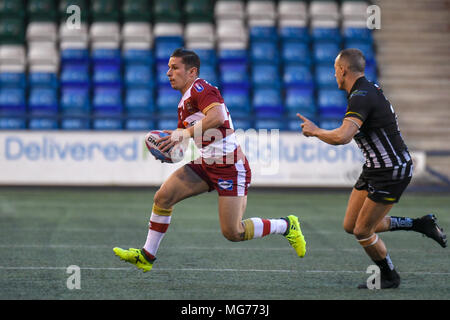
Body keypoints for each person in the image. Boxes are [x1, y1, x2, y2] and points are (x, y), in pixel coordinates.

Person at [113, 48, 306, 272]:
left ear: (192, 71)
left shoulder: (200, 88)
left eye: (174, 68)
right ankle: (147, 255)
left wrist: (183, 134)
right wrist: (170, 147)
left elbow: (217, 117)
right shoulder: (183, 103)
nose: (168, 73)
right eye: (168, 68)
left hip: (230, 167)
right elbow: (184, 139)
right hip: (206, 163)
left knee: (233, 232)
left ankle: (286, 225)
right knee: (163, 197)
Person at [297, 48, 447, 289]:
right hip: (375, 168)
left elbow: (344, 137)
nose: (334, 75)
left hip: (391, 171)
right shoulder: (365, 90)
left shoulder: (361, 95)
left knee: (362, 231)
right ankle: (420, 224)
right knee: (351, 225)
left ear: (342, 70)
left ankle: (389, 277)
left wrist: (315, 132)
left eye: (335, 70)